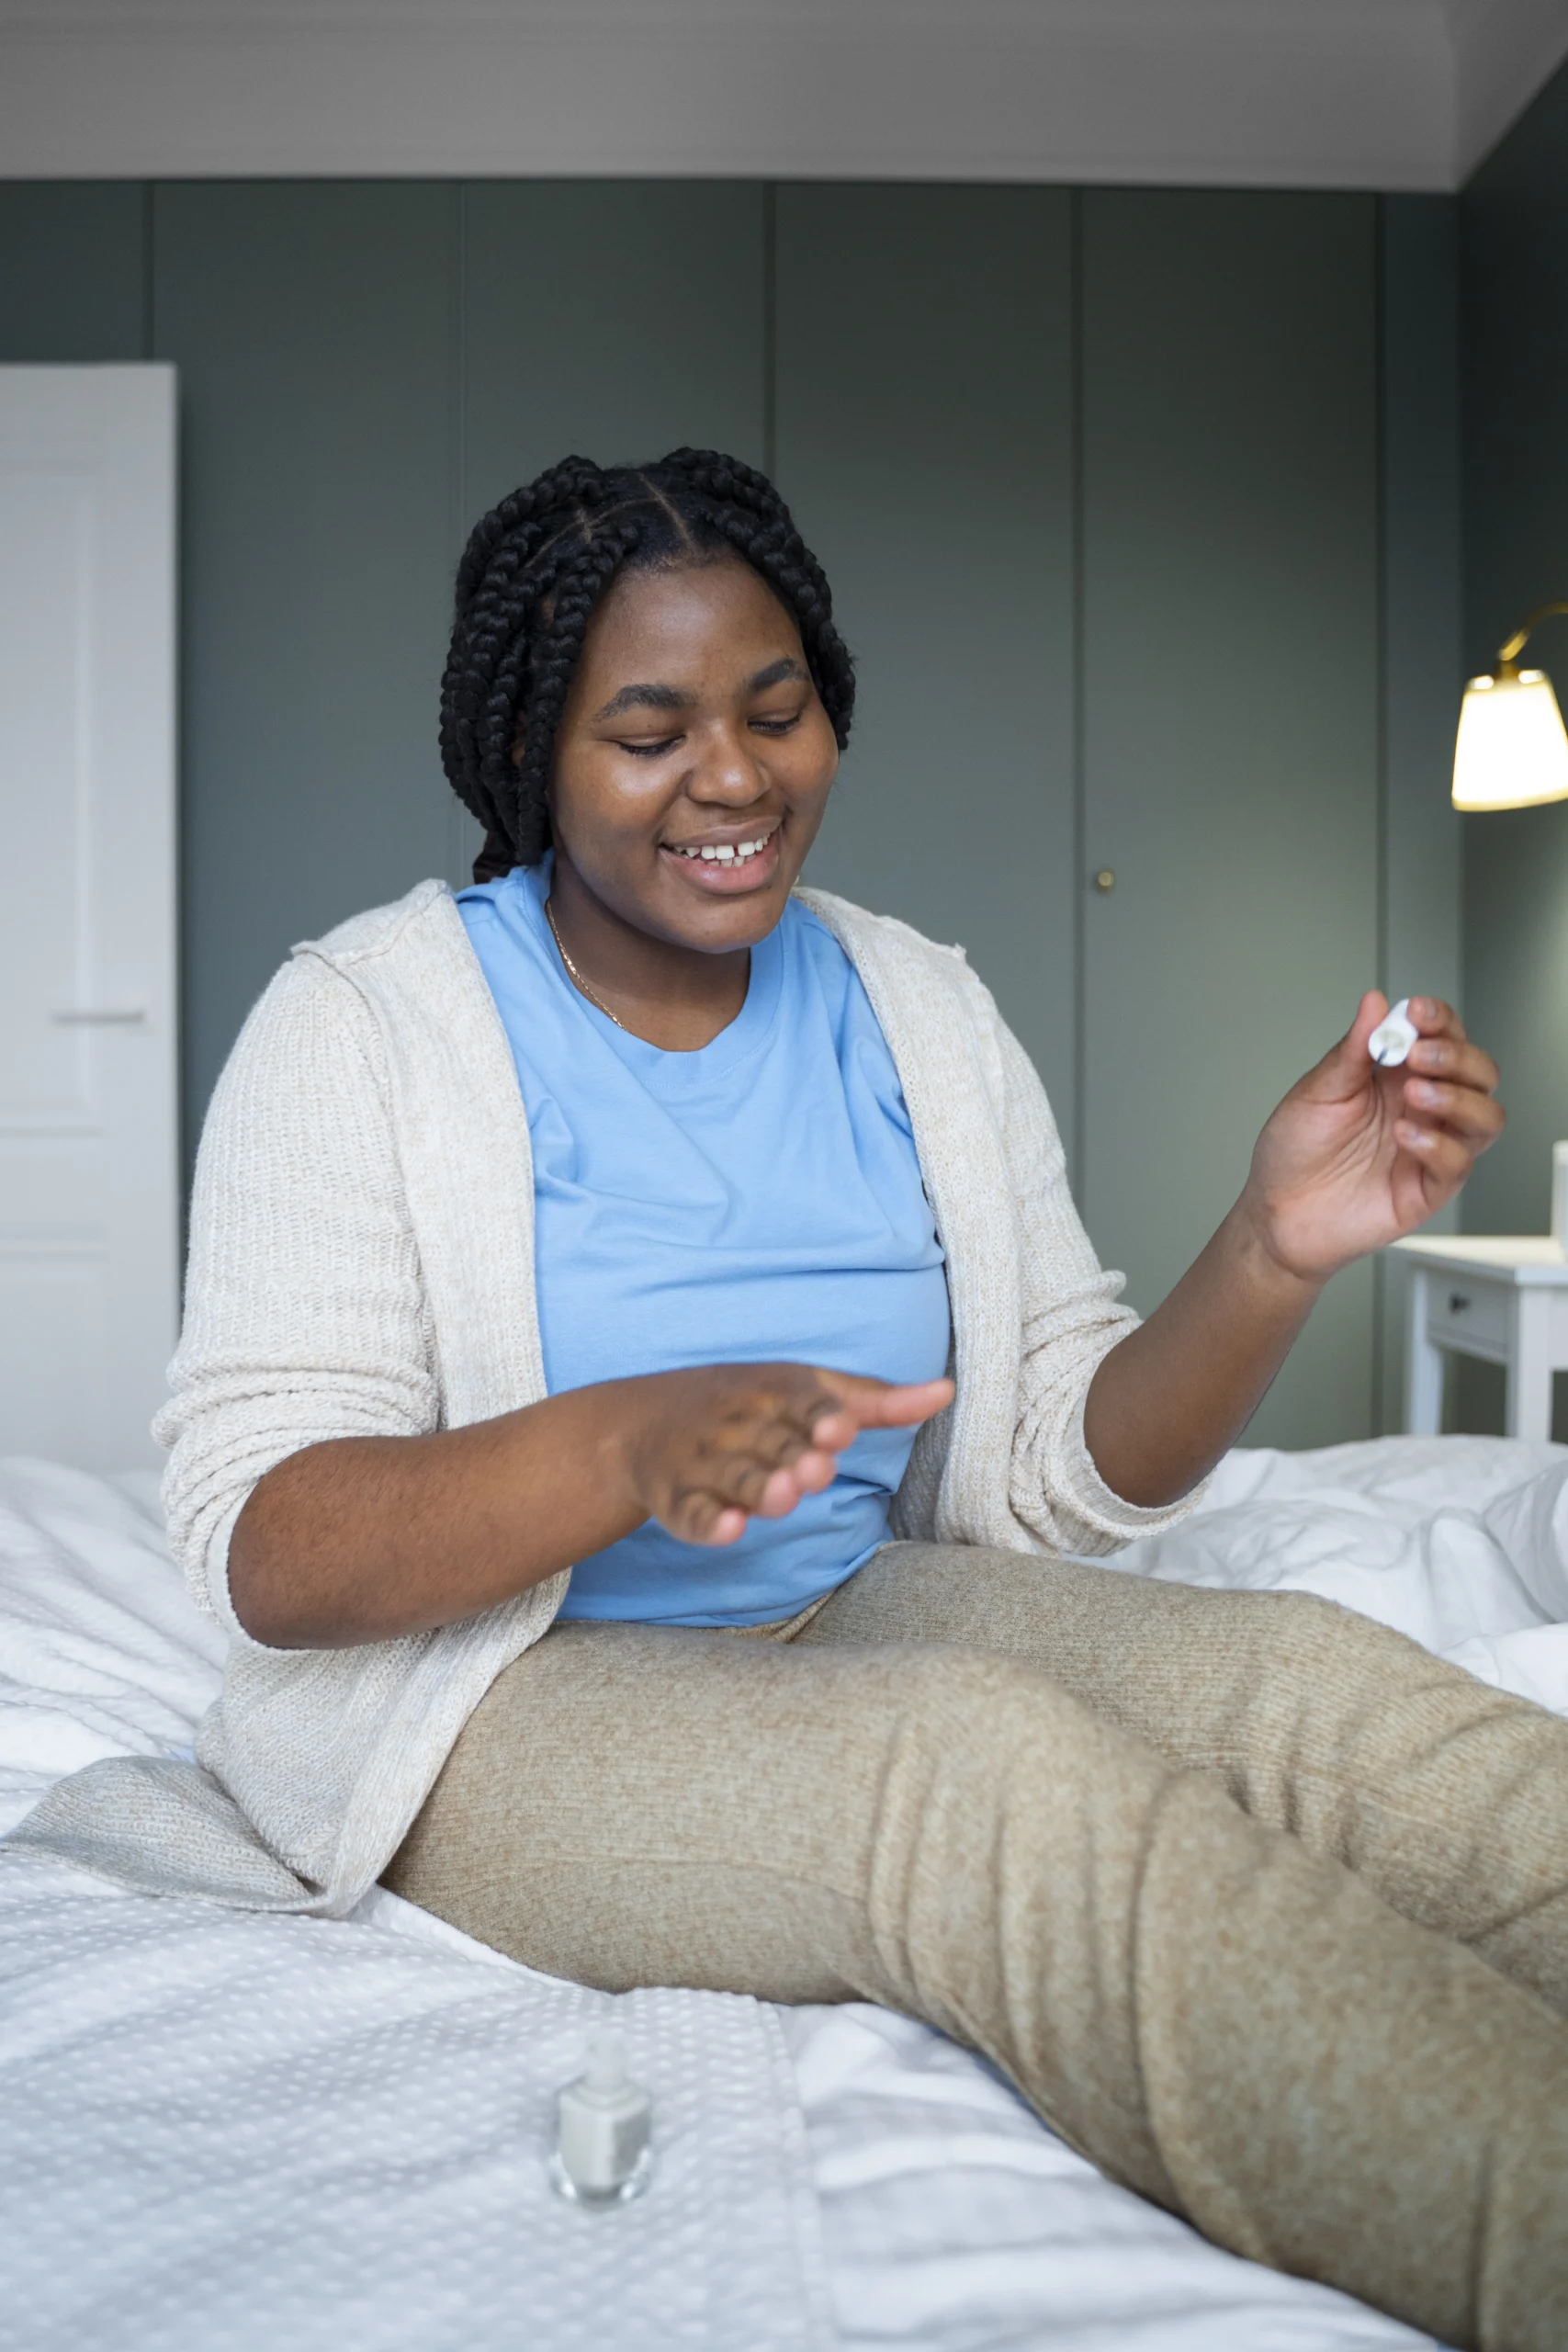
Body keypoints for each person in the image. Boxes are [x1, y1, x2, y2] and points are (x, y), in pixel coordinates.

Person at [17, 452, 1567, 2347]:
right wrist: (621, 1443)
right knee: (991, 1779)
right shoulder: (363, 1022)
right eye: (646, 728)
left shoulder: (912, 1000)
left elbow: (1056, 1470)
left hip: (838, 1593)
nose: (735, 775)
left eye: (776, 707)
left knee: (1309, 1686)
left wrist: (1268, 1242)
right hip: (486, 1700)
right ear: (530, 749)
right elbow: (269, 1539)